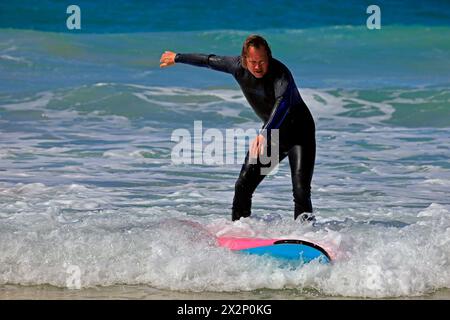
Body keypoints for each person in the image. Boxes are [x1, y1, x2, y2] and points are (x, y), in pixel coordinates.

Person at [160, 35, 316, 223]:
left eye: (262, 62)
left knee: (300, 191)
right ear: (244, 59)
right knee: (243, 185)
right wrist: (177, 57)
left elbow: (283, 103)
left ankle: (306, 236)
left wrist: (265, 132)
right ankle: (239, 230)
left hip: (300, 135)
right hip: (272, 135)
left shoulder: (281, 74)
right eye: (253, 62)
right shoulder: (236, 66)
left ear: (269, 58)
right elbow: (208, 60)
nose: (258, 67)